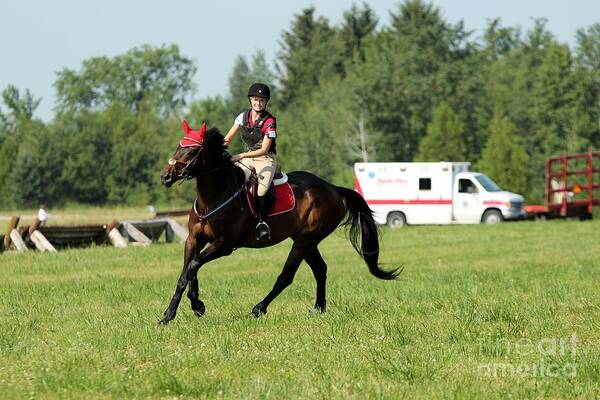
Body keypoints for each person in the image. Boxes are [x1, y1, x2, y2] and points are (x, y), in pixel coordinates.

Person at [224, 83, 277, 241]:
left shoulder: (270, 122)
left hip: (265, 159)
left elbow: (264, 150)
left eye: (262, 100)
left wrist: (241, 156)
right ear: (250, 100)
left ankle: (262, 223)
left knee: (260, 191)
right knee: (233, 179)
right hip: (248, 158)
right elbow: (227, 139)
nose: (258, 103)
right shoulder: (242, 117)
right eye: (255, 99)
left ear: (266, 102)